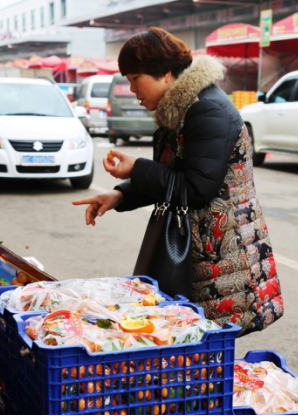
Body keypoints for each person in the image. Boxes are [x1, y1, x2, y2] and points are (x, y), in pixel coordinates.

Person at [72, 28, 283, 336]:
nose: (131, 88)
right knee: (185, 345)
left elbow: (196, 188)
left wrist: (137, 169)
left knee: (207, 349)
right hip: (201, 249)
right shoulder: (183, 108)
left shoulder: (207, 109)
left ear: (166, 73)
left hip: (223, 256)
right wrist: (119, 196)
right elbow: (173, 177)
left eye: (134, 78)